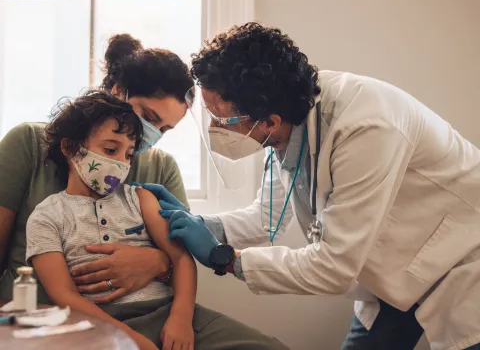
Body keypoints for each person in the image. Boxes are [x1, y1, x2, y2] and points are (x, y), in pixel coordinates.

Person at [142, 22, 480, 350]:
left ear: (269, 120)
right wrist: (204, 225)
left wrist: (225, 258)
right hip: (395, 272)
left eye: (221, 120)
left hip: (461, 265)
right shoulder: (283, 126)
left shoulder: (366, 126)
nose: (215, 129)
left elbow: (333, 268)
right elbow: (266, 217)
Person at [0, 33, 289, 350]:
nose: (150, 135)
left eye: (165, 129)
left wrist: (156, 264)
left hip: (158, 313)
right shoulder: (30, 143)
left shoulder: (158, 170)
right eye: (149, 118)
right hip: (53, 317)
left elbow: (181, 255)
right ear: (117, 92)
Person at [27, 91, 196, 350]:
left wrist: (181, 318)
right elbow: (63, 294)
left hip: (165, 311)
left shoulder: (140, 198)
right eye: (110, 149)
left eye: (128, 154)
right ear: (70, 148)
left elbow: (182, 258)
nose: (120, 163)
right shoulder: (45, 217)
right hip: (98, 323)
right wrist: (126, 336)